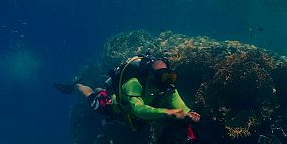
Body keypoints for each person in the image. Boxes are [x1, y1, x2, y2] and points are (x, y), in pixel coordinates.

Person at [53, 55, 200, 128]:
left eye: (169, 76)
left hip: (132, 109)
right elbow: (138, 109)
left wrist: (189, 113)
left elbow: (181, 106)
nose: (166, 81)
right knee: (94, 101)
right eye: (162, 76)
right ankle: (77, 86)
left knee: (101, 91)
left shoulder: (168, 87)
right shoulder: (134, 84)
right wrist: (167, 112)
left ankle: (101, 89)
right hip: (113, 106)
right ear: (151, 75)